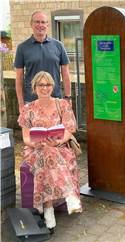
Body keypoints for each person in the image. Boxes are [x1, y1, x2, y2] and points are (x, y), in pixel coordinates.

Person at [18, 71, 82, 231]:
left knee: (50, 153)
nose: (44, 88)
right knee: (47, 152)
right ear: (34, 87)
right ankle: (70, 195)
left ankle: (48, 211)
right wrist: (37, 144)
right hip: (35, 150)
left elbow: (69, 129)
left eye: (48, 84)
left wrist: (58, 141)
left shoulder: (63, 104)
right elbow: (25, 137)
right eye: (41, 84)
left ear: (53, 86)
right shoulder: (28, 109)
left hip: (60, 147)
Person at [15, 10, 72, 113]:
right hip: (31, 101)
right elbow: (19, 78)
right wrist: (21, 103)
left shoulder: (58, 46)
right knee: (32, 129)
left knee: (56, 129)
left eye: (43, 22)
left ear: (47, 25)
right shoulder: (22, 48)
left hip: (55, 100)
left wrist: (67, 97)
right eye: (37, 22)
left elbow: (66, 74)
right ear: (31, 24)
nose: (40, 25)